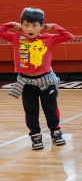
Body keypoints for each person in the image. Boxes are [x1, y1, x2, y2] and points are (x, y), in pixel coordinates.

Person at [0, 8, 73, 149]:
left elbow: (68, 36)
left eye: (34, 25)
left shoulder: (48, 38)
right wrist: (10, 24)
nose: (30, 29)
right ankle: (35, 134)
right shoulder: (16, 38)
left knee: (50, 109)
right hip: (27, 83)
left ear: (41, 26)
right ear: (21, 25)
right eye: (26, 25)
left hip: (46, 81)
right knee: (31, 111)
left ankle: (55, 131)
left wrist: (54, 26)